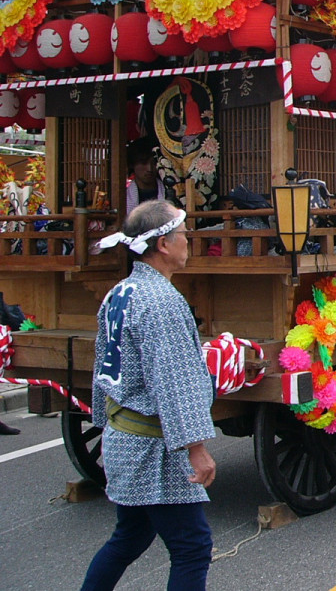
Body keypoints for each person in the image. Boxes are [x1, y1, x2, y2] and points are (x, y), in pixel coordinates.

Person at [80, 200, 217, 590]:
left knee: (131, 537)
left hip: (126, 438)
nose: (188, 242)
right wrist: (196, 447)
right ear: (163, 245)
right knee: (192, 546)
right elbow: (172, 382)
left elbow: (103, 367)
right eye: (183, 235)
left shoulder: (121, 292)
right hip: (154, 448)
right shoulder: (160, 301)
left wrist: (105, 427)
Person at [125, 137, 166, 216]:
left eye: (154, 163)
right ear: (132, 164)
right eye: (143, 163)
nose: (149, 169)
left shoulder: (169, 192)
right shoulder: (125, 197)